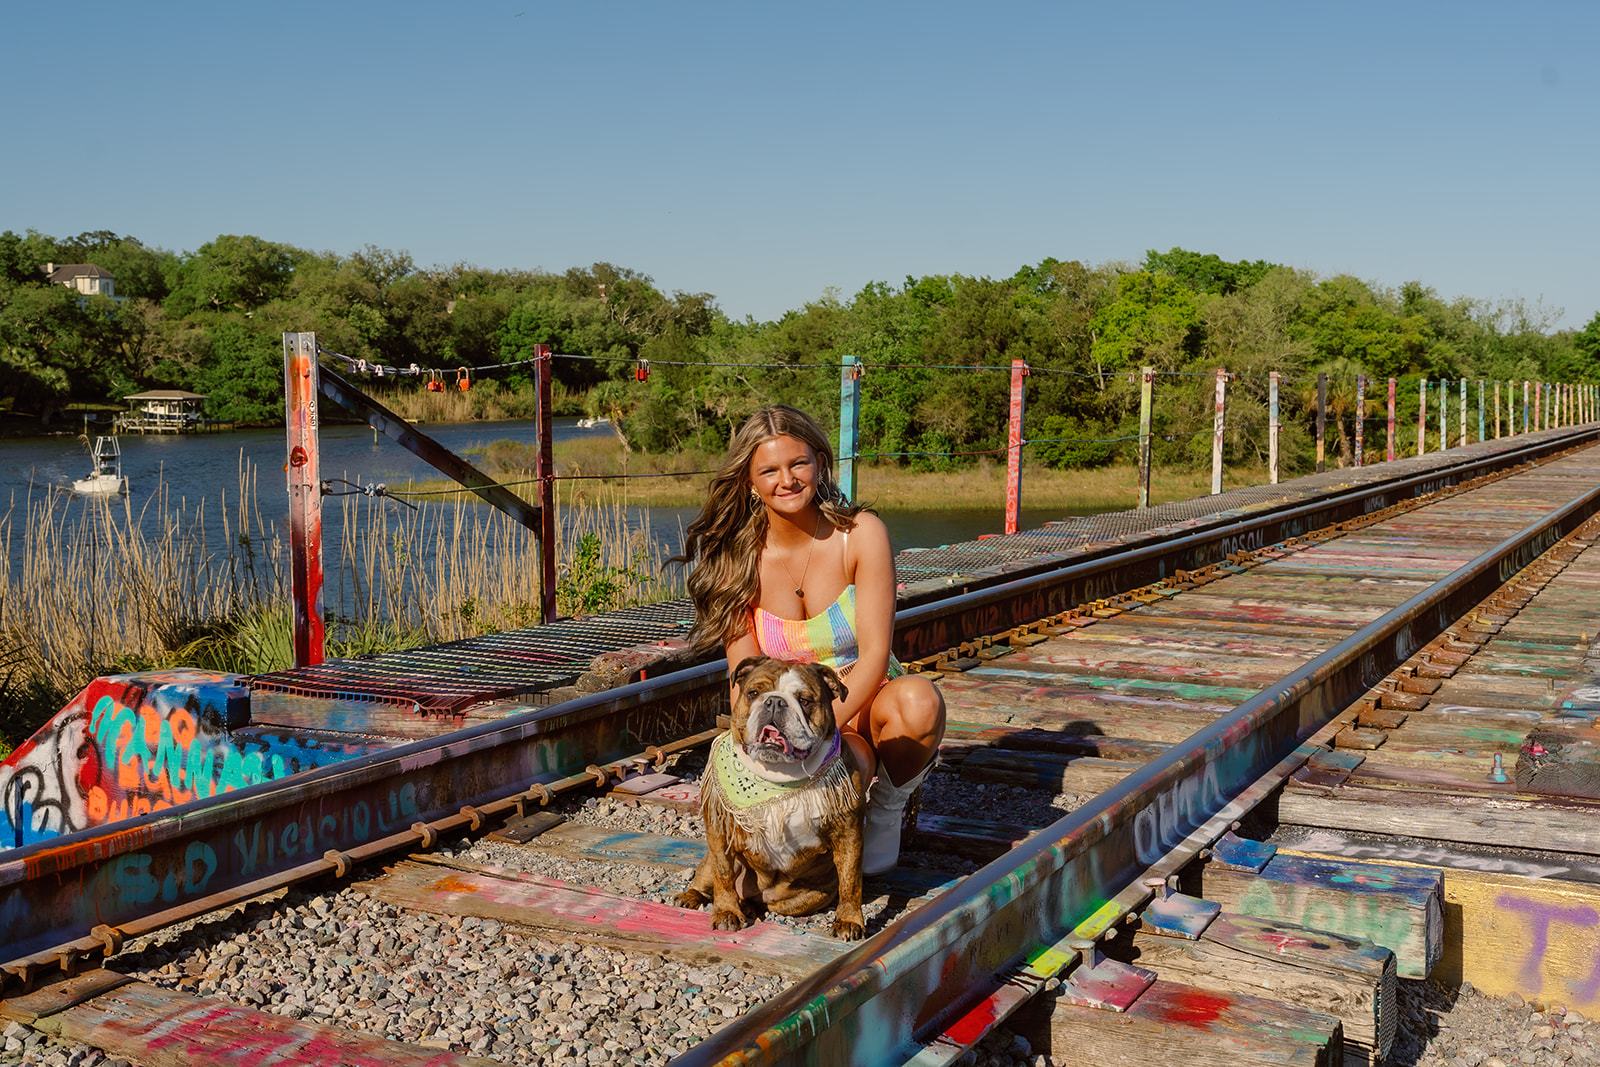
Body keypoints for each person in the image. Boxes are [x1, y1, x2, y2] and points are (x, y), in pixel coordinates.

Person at [680, 405, 946, 874]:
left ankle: (885, 809)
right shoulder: (733, 559)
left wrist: (822, 736)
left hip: (863, 696)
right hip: (787, 714)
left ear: (819, 462)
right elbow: (742, 678)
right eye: (769, 470)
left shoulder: (860, 534)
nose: (787, 479)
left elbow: (875, 657)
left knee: (918, 704)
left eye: (798, 463)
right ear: (749, 481)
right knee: (850, 761)